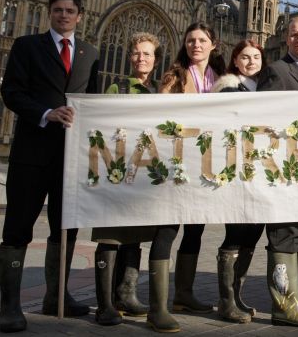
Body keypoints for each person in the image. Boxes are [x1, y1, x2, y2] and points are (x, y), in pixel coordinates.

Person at [0, 0, 98, 333]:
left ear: (79, 16)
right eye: (58, 10)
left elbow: (95, 102)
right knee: (17, 227)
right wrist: (45, 113)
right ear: (49, 13)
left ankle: (57, 296)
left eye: (70, 11)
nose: (64, 15)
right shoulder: (27, 46)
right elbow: (11, 92)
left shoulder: (90, 54)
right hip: (31, 153)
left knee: (65, 225)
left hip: (70, 158)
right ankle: (9, 305)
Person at [257, 15, 298, 327]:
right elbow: (264, 122)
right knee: (284, 235)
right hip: (284, 169)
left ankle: (292, 295)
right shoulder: (276, 70)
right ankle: (283, 306)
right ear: (287, 39)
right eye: (295, 35)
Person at [157, 22, 226, 324]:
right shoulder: (175, 76)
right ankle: (157, 305)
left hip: (207, 163)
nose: (195, 45)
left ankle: (183, 294)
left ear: (213, 44)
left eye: (201, 40)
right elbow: (160, 118)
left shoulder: (223, 79)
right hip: (177, 161)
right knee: (168, 229)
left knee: (195, 230)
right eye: (190, 40)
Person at [91, 33, 163, 327]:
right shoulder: (116, 86)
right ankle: (104, 304)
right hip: (115, 172)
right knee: (109, 236)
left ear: (155, 60)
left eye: (146, 54)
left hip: (143, 176)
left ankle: (126, 293)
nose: (141, 58)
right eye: (136, 53)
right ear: (129, 57)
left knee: (135, 236)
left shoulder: (161, 92)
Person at [210, 40, 267, 324]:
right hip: (235, 169)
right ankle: (225, 300)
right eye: (245, 57)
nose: (251, 61)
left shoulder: (265, 88)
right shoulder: (229, 86)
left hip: (260, 170)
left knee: (253, 232)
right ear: (235, 60)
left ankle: (236, 294)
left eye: (256, 56)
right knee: (235, 231)